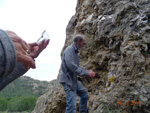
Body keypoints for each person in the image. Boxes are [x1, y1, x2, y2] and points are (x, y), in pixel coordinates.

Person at [59, 34, 95, 113]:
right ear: (78, 41)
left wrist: (87, 72)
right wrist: (87, 73)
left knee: (84, 94)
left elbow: (75, 67)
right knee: (71, 107)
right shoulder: (69, 50)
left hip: (74, 80)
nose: (83, 45)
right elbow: (71, 66)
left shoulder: (75, 51)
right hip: (68, 81)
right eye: (83, 43)